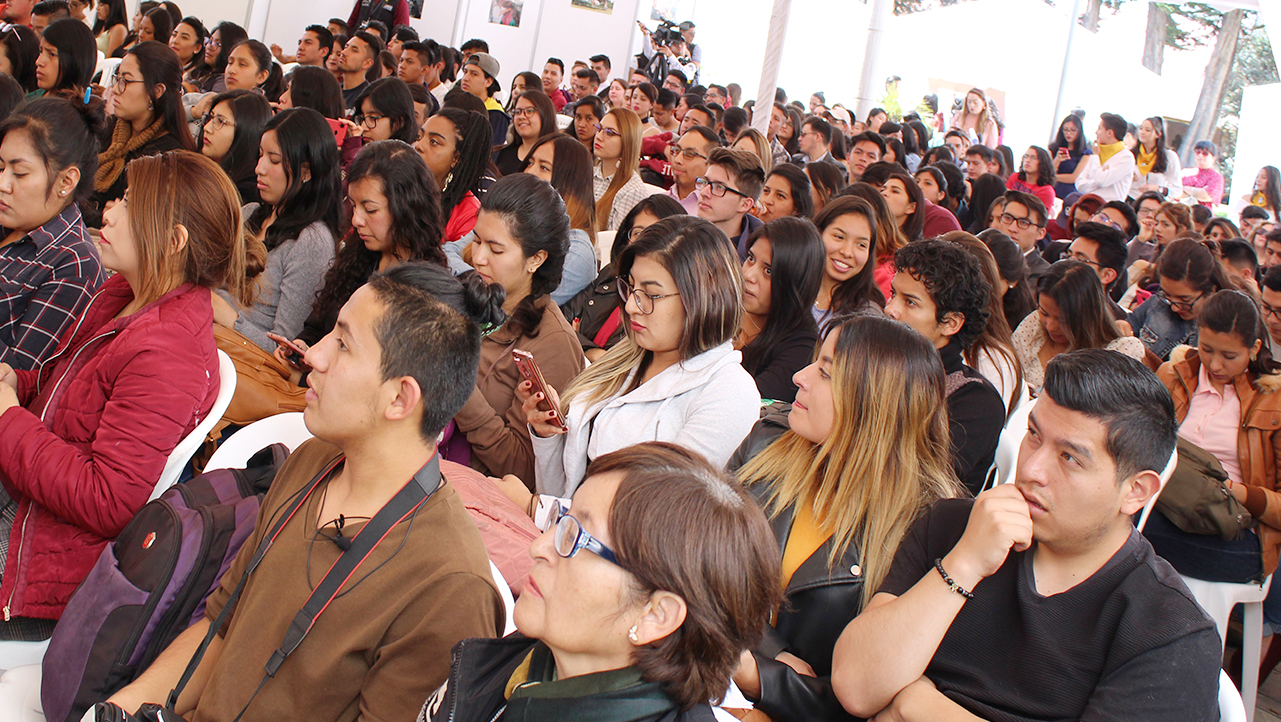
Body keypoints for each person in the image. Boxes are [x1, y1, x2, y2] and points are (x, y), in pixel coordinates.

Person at [108, 260, 502, 720]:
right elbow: (219, 626)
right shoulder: (313, 461)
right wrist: (119, 709)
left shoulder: (451, 589)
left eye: (342, 344)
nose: (313, 355)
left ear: (400, 398)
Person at [831, 347, 1220, 721]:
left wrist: (917, 706)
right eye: (1034, 434)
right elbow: (856, 688)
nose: (1032, 467)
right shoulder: (953, 526)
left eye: (1070, 458)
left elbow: (893, 702)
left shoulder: (1167, 629)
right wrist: (963, 565)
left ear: (1135, 491)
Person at [0, 150, 262, 640]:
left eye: (127, 202)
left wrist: (8, 420)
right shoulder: (124, 294)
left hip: (45, 555)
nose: (109, 211)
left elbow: (109, 500)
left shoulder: (168, 352)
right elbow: (69, 390)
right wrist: (19, 383)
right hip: (30, 502)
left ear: (172, 240)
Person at [422, 442, 779, 722]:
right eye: (562, 521)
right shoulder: (525, 662)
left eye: (577, 539)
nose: (538, 547)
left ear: (656, 613)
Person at [731, 314, 964, 722]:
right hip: (705, 668)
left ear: (870, 402)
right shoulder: (766, 444)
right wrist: (769, 655)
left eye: (825, 373)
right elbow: (694, 563)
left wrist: (761, 680)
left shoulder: (927, 526)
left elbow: (870, 697)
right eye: (814, 363)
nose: (800, 377)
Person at [518, 215, 757, 500]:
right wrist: (547, 437)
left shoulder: (729, 394)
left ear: (703, 298)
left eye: (651, 294)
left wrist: (538, 510)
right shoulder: (627, 358)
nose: (631, 305)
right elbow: (564, 490)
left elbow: (655, 516)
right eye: (631, 287)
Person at [1146, 290, 1281, 596]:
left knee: (1126, 533)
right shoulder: (1174, 375)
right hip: (1166, 506)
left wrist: (1232, 491)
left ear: (1254, 348)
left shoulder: (1274, 402)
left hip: (1238, 534)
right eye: (1206, 350)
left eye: (1229, 356)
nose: (1215, 364)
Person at [452, 173, 583, 482]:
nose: (478, 258)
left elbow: (525, 468)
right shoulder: (478, 296)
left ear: (535, 259)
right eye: (477, 241)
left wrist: (456, 385)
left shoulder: (552, 343)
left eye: (496, 250)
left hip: (476, 493)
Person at [291, 140, 448, 355]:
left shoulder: (425, 288)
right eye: (354, 206)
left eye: (370, 210)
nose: (356, 220)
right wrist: (301, 347)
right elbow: (316, 327)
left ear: (407, 208)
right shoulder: (358, 256)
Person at [214, 109, 340, 354]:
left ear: (306, 171)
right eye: (260, 155)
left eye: (274, 160)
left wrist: (227, 317)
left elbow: (283, 350)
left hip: (241, 362)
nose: (259, 168)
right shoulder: (249, 212)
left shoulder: (311, 241)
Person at [885, 239, 1004, 494]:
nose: (890, 309)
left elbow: (918, 488)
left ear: (950, 323)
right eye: (894, 294)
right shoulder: (883, 362)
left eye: (910, 302)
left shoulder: (975, 401)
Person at [0, 98, 104, 373]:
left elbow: (23, 377)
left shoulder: (74, 264)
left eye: (19, 173)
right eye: (0, 168)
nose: (3, 184)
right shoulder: (9, 219)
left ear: (66, 181)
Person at [564, 195, 684, 360]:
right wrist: (594, 353)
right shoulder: (612, 273)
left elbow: (627, 362)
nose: (644, 242)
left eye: (656, 235)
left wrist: (579, 342)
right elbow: (562, 319)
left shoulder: (669, 300)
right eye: (638, 233)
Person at [88, 41, 192, 226]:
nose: (116, 90)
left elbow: (144, 224)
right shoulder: (110, 129)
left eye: (126, 81)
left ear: (156, 91)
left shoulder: (167, 156)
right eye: (117, 78)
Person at [1013, 260, 1145, 393]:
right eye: (1044, 313)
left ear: (1088, 315)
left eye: (1063, 320)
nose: (1051, 326)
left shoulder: (1120, 352)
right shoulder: (1034, 324)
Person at [738, 217, 824, 402]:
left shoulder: (801, 348)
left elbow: (745, 402)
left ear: (795, 283)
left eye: (768, 271)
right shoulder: (721, 308)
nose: (748, 275)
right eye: (751, 259)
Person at [1129, 238, 1237, 360]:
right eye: (1167, 295)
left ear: (1212, 290)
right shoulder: (1158, 303)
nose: (1175, 307)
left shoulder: (1231, 325)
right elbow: (1130, 324)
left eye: (1185, 300)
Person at [414, 107, 488, 244]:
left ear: (456, 159)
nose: (418, 146)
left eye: (434, 142)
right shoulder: (399, 186)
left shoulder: (468, 216)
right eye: (419, 137)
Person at [812, 195, 882, 330]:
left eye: (861, 245)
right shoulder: (789, 283)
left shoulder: (868, 317)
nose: (847, 252)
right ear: (818, 233)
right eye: (839, 237)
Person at [197, 89, 269, 204]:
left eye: (220, 121)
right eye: (211, 117)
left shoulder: (245, 193)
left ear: (246, 131)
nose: (207, 127)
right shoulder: (201, 168)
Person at [698, 147, 765, 260]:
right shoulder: (681, 236)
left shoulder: (760, 255)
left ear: (745, 204)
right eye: (705, 182)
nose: (704, 192)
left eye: (719, 187)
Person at [593, 106, 648, 231]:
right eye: (599, 129)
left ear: (627, 141)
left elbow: (615, 243)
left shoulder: (633, 190)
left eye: (609, 133)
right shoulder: (586, 173)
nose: (599, 136)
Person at [1065, 220, 1130, 319]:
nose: (1067, 264)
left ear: (1107, 275)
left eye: (1080, 260)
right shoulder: (1052, 300)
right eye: (1069, 256)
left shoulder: (1115, 324)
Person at [1074, 112, 1134, 202]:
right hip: (1089, 203)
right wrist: (1097, 183)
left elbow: (1101, 181)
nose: (1096, 132)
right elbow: (1079, 184)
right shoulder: (1098, 152)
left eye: (1099, 128)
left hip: (1109, 208)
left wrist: (1096, 158)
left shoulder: (1125, 157)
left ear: (1109, 133)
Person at [494, 88, 555, 176]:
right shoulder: (502, 153)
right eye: (518, 112)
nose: (521, 116)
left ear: (545, 114)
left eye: (529, 111)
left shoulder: (556, 155)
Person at [34, 17, 96, 101]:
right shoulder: (33, 98)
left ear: (74, 61)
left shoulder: (77, 112)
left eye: (52, 54)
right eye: (40, 51)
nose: (38, 62)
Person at [666, 124, 718, 214]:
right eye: (676, 151)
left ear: (710, 163)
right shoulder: (658, 201)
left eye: (689, 154)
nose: (678, 160)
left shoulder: (713, 211)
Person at [1129, 116, 1182, 200]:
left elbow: (1177, 190)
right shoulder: (1130, 154)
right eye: (1141, 128)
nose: (1142, 132)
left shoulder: (1169, 156)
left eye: (1148, 130)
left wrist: (1158, 189)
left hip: (1154, 203)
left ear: (1158, 134)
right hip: (1130, 200)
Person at [189, 21, 244, 93]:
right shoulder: (200, 71)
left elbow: (210, 102)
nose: (209, 47)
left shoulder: (224, 80)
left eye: (218, 43)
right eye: (210, 41)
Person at [1049, 114, 1091, 201]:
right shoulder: (1053, 148)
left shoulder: (1085, 153)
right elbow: (1048, 171)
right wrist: (1057, 159)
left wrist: (1053, 177)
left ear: (1079, 132)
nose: (1068, 133)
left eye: (1073, 130)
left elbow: (1074, 177)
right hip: (1051, 188)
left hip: (1069, 192)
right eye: (1065, 130)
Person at [335, 30, 380, 108]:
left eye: (354, 50)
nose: (344, 52)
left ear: (367, 63)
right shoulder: (331, 91)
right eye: (346, 47)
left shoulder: (369, 98)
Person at [1006, 146, 1055, 212]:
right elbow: (1004, 199)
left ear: (1043, 163)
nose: (1027, 160)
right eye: (1026, 156)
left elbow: (1038, 217)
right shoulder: (1015, 177)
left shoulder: (1046, 191)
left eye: (1033, 158)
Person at [880, 171, 925, 242]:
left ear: (911, 207)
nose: (884, 193)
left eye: (895, 191)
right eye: (882, 190)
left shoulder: (914, 249)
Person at [1182, 140, 1225, 208]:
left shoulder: (1217, 177)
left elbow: (1206, 196)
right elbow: (1176, 193)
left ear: (1213, 158)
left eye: (1205, 153)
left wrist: (1185, 188)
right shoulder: (1185, 172)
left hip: (1203, 214)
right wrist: (1197, 191)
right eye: (1198, 152)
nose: (1200, 155)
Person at [168, 16, 206, 86]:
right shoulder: (160, 66)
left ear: (197, 48)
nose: (175, 41)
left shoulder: (197, 79)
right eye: (174, 35)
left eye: (184, 37)